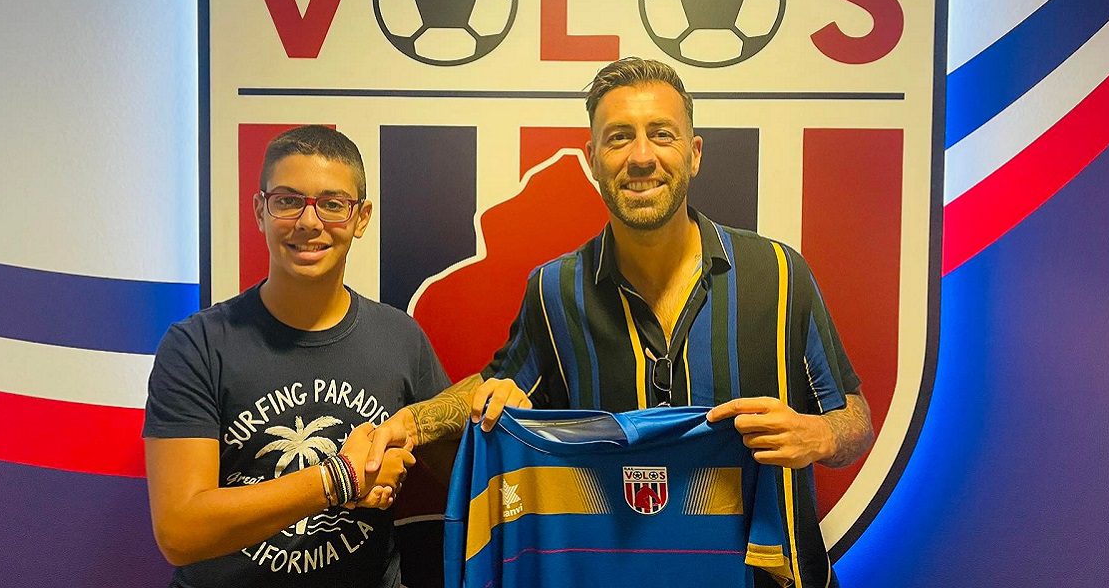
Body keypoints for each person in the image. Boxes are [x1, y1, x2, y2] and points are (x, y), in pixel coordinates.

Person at [369, 58, 875, 587]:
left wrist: (819, 434)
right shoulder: (556, 289)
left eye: (662, 134)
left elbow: (855, 419)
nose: (641, 157)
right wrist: (409, 425)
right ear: (592, 159)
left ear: (694, 153)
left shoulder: (779, 273)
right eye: (619, 138)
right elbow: (494, 389)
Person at [143, 125, 452, 588]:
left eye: (333, 204)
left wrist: (493, 397)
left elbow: (464, 466)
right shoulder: (197, 345)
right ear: (260, 211)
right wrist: (341, 480)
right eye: (288, 201)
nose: (309, 222)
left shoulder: (400, 338)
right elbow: (180, 532)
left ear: (361, 218)